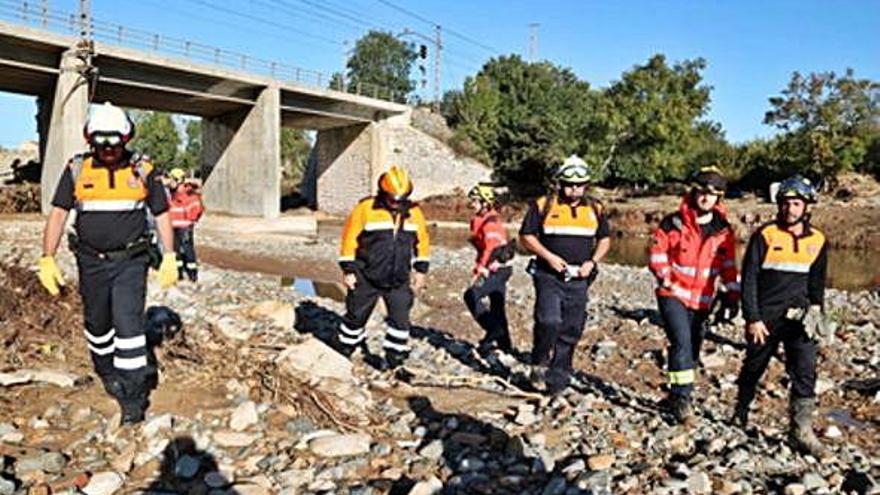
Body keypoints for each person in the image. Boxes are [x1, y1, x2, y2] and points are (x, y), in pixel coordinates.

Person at [37, 102, 178, 425]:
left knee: (128, 327)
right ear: (90, 140)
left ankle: (132, 398)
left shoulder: (143, 170)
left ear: (126, 139)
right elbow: (58, 214)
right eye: (101, 144)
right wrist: (47, 257)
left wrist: (170, 255)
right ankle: (105, 369)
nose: (108, 150)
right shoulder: (77, 169)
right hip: (90, 262)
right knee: (98, 324)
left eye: (114, 143)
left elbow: (161, 213)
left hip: (131, 261)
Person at [733, 175, 830, 457]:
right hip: (766, 318)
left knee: (805, 371)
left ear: (807, 206)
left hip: (800, 319)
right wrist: (752, 317)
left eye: (797, 203)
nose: (791, 209)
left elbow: (817, 281)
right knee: (754, 365)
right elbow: (748, 279)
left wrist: (817, 312)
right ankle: (740, 410)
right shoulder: (765, 235)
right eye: (786, 203)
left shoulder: (819, 240)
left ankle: (801, 430)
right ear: (779, 205)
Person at [647, 166, 740, 423]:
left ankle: (675, 393)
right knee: (681, 342)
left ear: (719, 199)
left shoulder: (723, 230)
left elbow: (728, 264)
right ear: (694, 192)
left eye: (713, 195)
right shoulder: (672, 222)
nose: (706, 198)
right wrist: (667, 280)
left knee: (694, 347)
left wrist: (733, 295)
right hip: (673, 294)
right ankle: (682, 398)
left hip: (703, 299)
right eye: (703, 192)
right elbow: (657, 255)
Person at [519, 155, 611, 395]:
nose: (574, 189)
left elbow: (604, 239)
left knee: (571, 327)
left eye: (579, 185)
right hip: (548, 275)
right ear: (560, 183)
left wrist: (592, 262)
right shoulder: (543, 205)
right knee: (548, 320)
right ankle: (539, 361)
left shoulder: (595, 208)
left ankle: (558, 378)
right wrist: (548, 256)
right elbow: (527, 236)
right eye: (569, 184)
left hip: (580, 278)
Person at [337, 166, 430, 370]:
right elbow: (349, 239)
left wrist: (421, 270)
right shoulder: (366, 209)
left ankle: (394, 359)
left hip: (398, 278)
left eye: (401, 198)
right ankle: (344, 350)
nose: (396, 203)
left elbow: (422, 242)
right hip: (366, 275)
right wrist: (348, 270)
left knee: (400, 320)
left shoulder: (414, 213)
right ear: (384, 193)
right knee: (356, 316)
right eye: (393, 198)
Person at [463, 184, 515, 354]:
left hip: (496, 269)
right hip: (500, 270)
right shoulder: (485, 220)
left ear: (485, 203)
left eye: (475, 201)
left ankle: (493, 330)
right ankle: (505, 345)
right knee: (497, 306)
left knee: (472, 295)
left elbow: (491, 247)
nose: (472, 204)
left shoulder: (490, 223)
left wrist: (480, 268)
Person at [167, 168, 205, 282]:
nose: (170, 182)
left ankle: (192, 274)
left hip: (185, 226)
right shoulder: (171, 194)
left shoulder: (189, 193)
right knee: (175, 250)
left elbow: (198, 208)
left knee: (188, 250)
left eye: (172, 179)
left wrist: (190, 220)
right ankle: (179, 274)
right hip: (173, 226)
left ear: (178, 180)